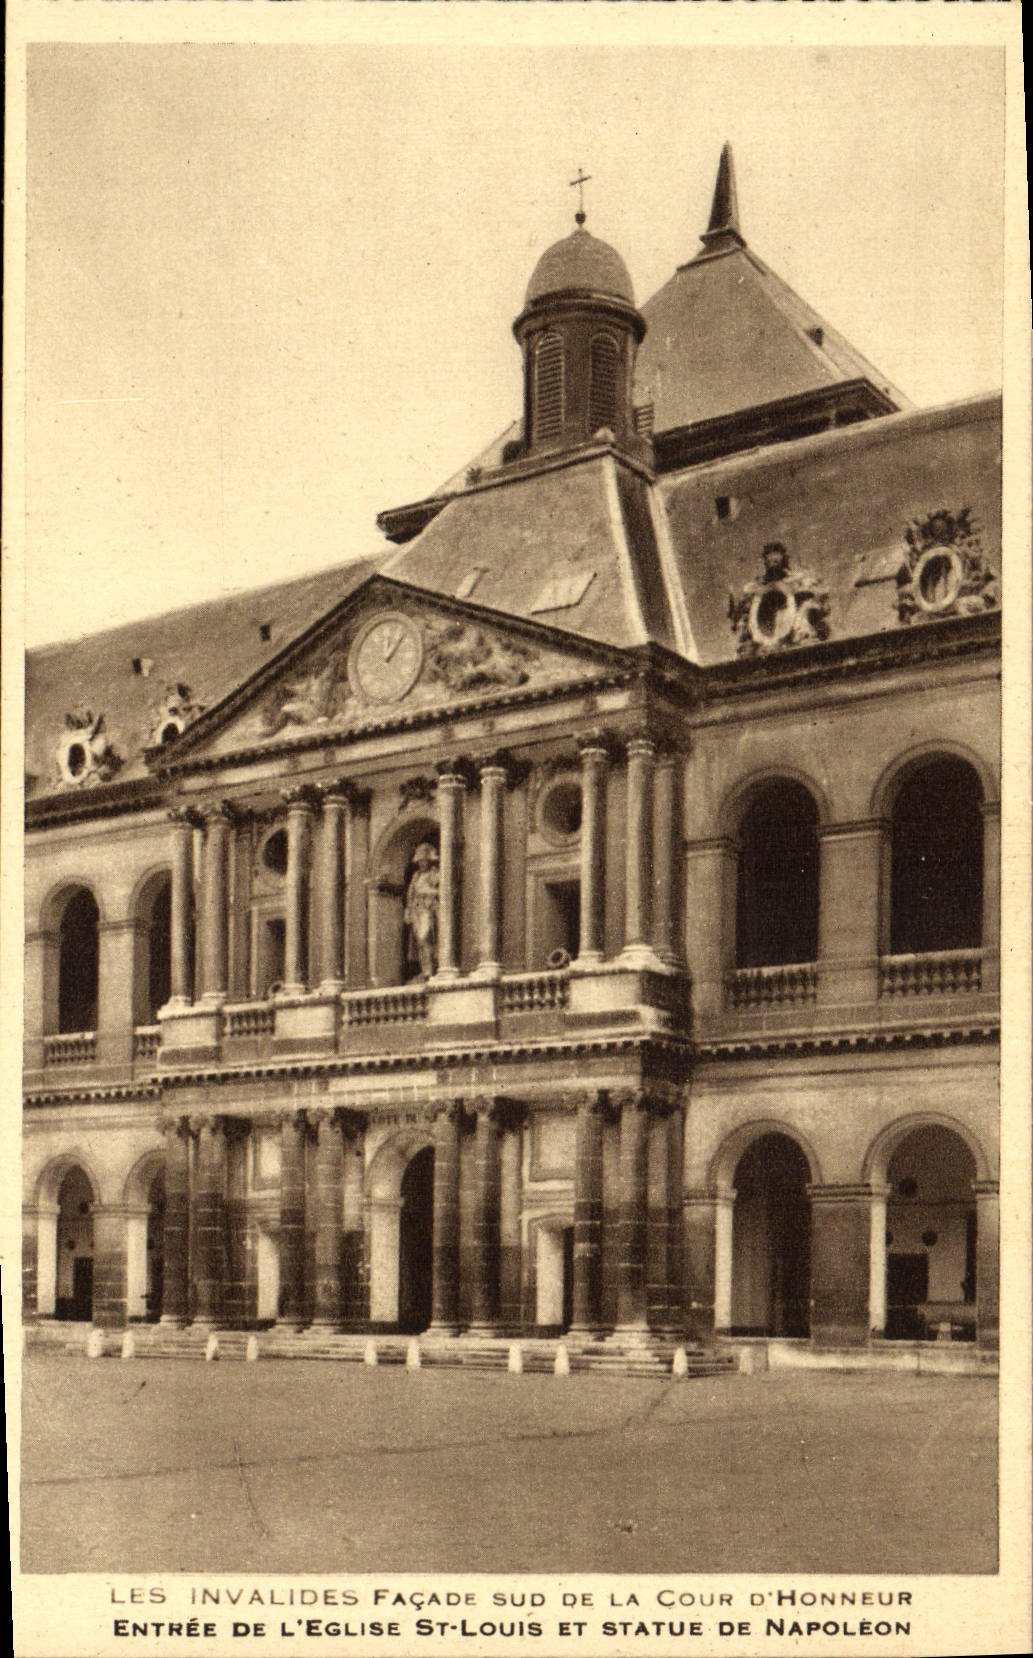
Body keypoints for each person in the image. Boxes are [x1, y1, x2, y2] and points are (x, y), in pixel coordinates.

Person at [404, 843, 440, 979]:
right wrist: (408, 910)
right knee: (420, 940)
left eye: (424, 860)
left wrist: (426, 891)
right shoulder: (416, 876)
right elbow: (410, 894)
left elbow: (442, 891)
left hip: (429, 908)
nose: (421, 863)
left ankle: (432, 968)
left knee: (426, 937)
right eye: (419, 861)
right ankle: (426, 969)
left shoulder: (435, 873)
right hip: (417, 910)